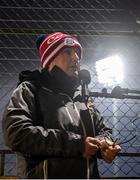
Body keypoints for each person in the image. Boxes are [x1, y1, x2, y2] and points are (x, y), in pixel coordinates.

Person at [2, 32, 121, 179]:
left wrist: (105, 144)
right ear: (50, 59)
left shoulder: (82, 96)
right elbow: (16, 133)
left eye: (77, 53)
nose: (76, 58)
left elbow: (103, 129)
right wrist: (77, 145)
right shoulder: (30, 89)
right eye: (67, 52)